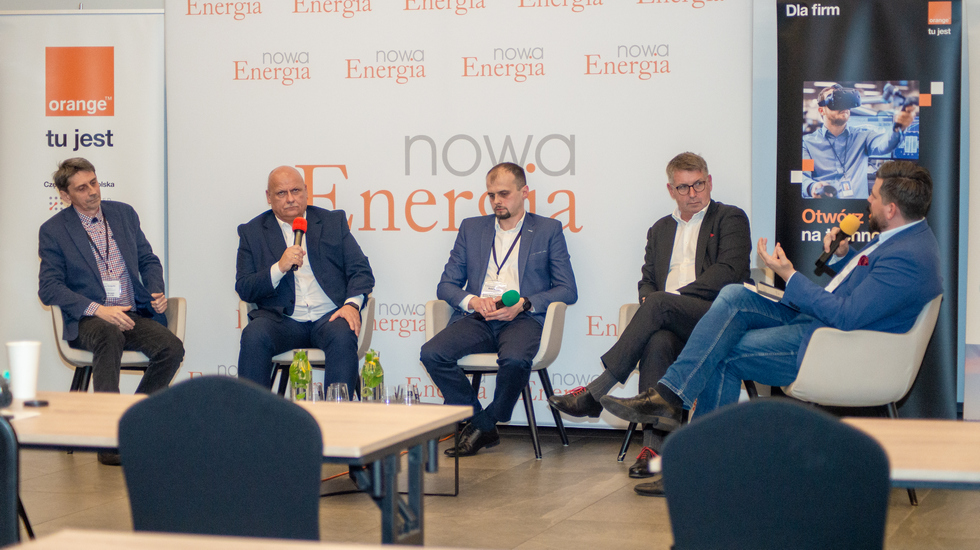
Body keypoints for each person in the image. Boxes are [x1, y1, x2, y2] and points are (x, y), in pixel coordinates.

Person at [601, 160, 942, 496]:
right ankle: (672, 401)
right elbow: (866, 292)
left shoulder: (907, 255)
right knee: (734, 294)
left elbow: (847, 315)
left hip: (832, 346)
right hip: (821, 328)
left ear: (892, 209)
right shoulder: (904, 240)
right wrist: (842, 256)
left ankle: (694, 456)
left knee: (722, 351)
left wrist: (790, 276)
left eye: (874, 196)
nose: (868, 200)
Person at [547, 152, 750, 481]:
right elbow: (647, 280)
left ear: (710, 182)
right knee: (657, 341)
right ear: (671, 190)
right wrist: (653, 299)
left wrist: (669, 300)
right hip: (669, 321)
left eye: (699, 184)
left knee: (658, 305)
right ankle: (655, 450)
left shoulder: (730, 218)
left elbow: (729, 272)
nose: (693, 193)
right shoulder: (659, 229)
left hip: (716, 317)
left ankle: (596, 392)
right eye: (683, 187)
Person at [420, 162, 577, 457]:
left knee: (516, 360)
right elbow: (446, 285)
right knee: (432, 354)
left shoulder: (548, 230)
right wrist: (472, 301)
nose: (496, 201)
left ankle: (489, 420)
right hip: (479, 316)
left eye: (504, 194)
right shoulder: (471, 228)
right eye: (491, 195)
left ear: (524, 192)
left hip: (522, 318)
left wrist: (524, 303)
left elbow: (568, 289)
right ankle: (482, 424)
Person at [39, 157, 184, 465]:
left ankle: (133, 423)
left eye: (93, 182)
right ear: (65, 195)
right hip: (90, 320)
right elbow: (49, 288)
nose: (92, 191)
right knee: (108, 332)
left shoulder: (123, 214)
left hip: (132, 314)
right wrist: (98, 309)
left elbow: (148, 260)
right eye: (82, 188)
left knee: (171, 348)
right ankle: (108, 440)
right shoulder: (54, 231)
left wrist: (155, 290)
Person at [236, 166, 374, 394]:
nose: (290, 199)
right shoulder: (252, 232)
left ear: (306, 191)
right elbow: (244, 288)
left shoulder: (332, 222)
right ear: (269, 197)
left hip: (329, 317)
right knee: (254, 335)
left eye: (296, 191)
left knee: (343, 334)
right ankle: (255, 414)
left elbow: (361, 271)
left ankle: (336, 413)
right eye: (281, 193)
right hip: (282, 321)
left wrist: (351, 305)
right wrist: (279, 268)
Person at [802, 84, 916, 199]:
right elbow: (803, 176)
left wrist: (898, 128)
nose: (843, 105)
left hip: (858, 208)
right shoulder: (808, 144)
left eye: (845, 101)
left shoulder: (863, 136)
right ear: (822, 110)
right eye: (835, 100)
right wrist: (812, 187)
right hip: (825, 208)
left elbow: (885, 144)